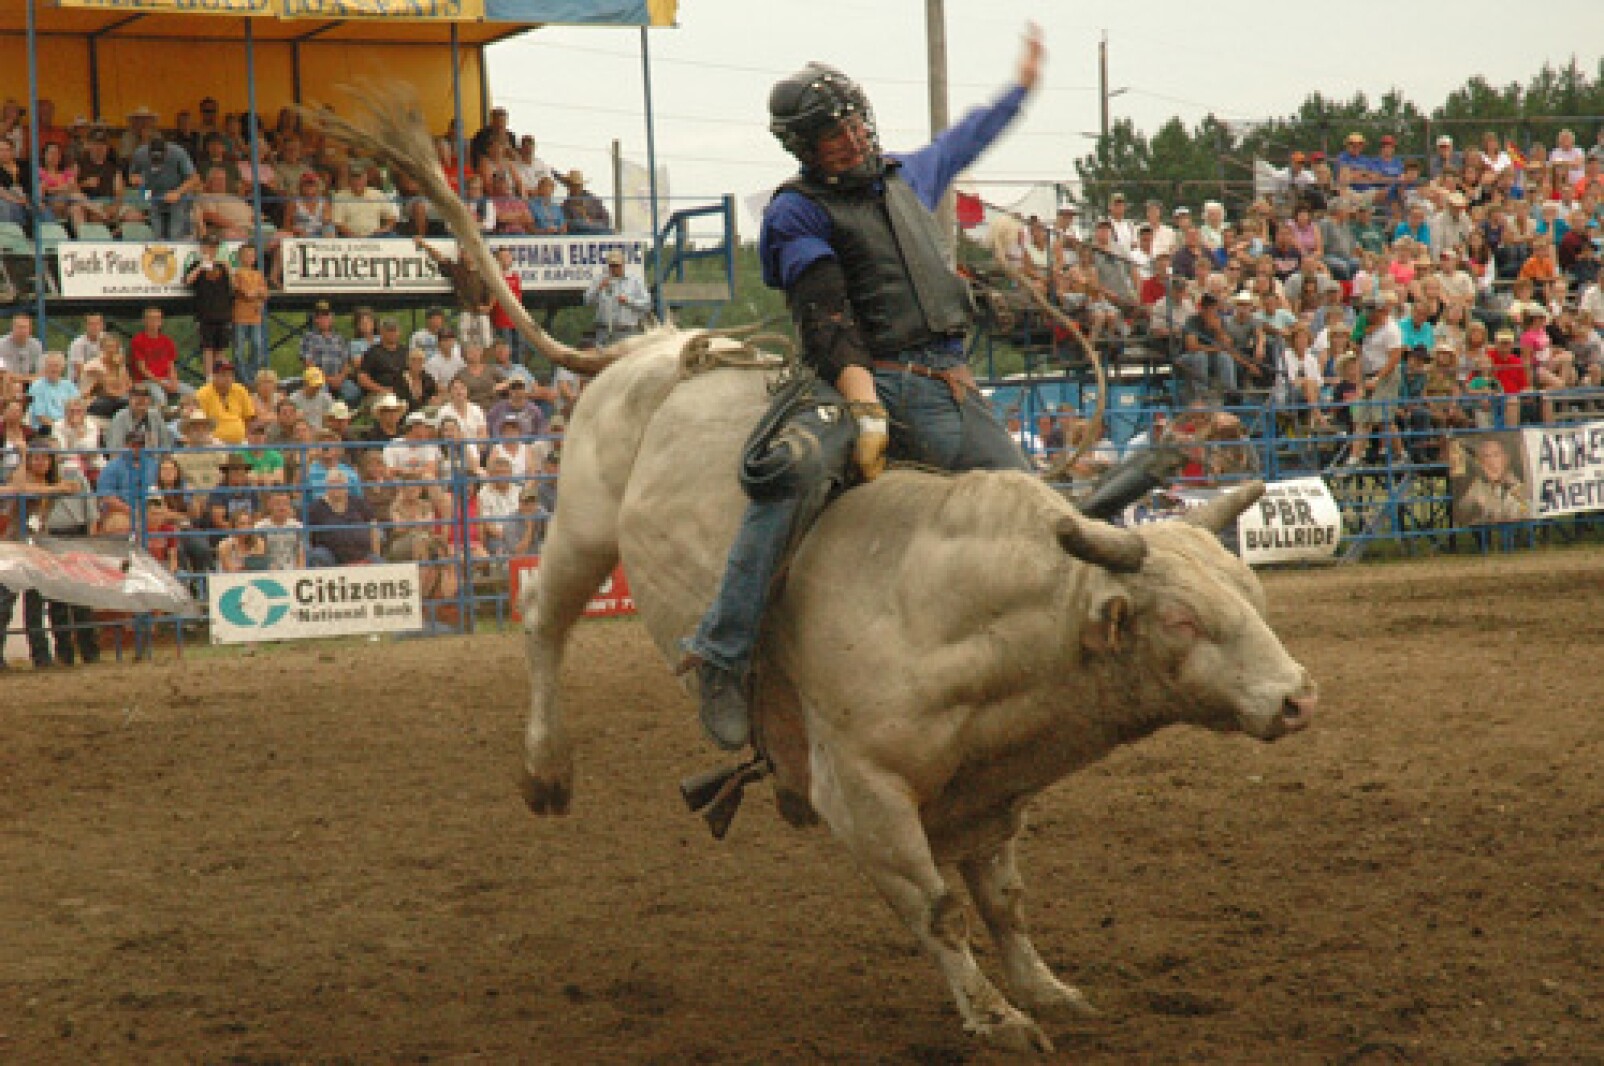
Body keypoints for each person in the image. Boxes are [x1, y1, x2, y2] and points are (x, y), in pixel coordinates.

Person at [681, 27, 1045, 751]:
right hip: (865, 379)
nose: (848, 138)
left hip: (948, 385)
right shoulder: (796, 212)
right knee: (786, 479)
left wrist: (1020, 89)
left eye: (851, 122)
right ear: (803, 149)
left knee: (1033, 506)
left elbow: (968, 137)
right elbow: (826, 318)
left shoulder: (907, 175)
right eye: (829, 133)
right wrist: (864, 402)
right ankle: (720, 656)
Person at [0, 443, 89, 669]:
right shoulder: (25, 481)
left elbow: (74, 486)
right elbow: (17, 489)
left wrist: (53, 487)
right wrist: (22, 458)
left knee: (35, 605)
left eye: (45, 459)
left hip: (36, 546)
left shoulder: (51, 484)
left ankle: (42, 657)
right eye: (35, 458)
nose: (40, 463)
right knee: (5, 605)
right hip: (14, 546)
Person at [306, 470, 380, 567]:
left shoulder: (358, 503)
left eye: (340, 483)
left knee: (379, 563)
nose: (336, 487)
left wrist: (376, 552)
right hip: (331, 556)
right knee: (319, 555)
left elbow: (373, 524)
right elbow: (306, 535)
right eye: (332, 483)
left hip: (363, 555)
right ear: (326, 487)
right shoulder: (316, 508)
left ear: (346, 487)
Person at [1451, 435, 1531, 525]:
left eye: (1496, 455)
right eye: (1486, 456)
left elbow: (1523, 514)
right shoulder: (1479, 485)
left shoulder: (1518, 487)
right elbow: (1461, 511)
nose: (1490, 462)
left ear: (1506, 458)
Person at [584, 249, 652, 346]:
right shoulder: (599, 279)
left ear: (623, 264)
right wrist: (598, 289)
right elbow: (587, 301)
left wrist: (628, 301)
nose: (613, 268)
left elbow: (647, 305)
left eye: (616, 265)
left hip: (628, 332)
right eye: (611, 265)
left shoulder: (635, 280)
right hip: (603, 332)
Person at [299, 300, 359, 405]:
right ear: (315, 320)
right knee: (322, 394)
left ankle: (344, 417)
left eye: (326, 316)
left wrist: (340, 378)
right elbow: (308, 363)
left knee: (354, 393)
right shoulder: (308, 337)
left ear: (332, 318)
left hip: (340, 378)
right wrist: (327, 379)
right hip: (318, 379)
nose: (323, 319)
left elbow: (346, 363)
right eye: (320, 317)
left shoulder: (340, 338)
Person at [231, 243, 270, 384]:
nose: (250, 258)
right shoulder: (237, 273)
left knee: (257, 345)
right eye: (247, 255)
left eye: (252, 255)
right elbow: (243, 292)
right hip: (240, 316)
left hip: (255, 316)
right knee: (239, 350)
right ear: (240, 257)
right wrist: (254, 293)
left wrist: (257, 293)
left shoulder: (258, 274)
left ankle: (252, 376)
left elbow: (265, 293)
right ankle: (243, 378)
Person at [129, 307, 183, 408]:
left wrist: (174, 381)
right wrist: (162, 383)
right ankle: (160, 422)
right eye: (151, 318)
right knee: (160, 398)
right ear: (144, 321)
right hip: (146, 381)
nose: (154, 322)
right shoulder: (138, 340)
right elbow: (143, 370)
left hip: (166, 379)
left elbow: (171, 366)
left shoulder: (167, 341)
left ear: (161, 321)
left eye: (157, 318)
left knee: (194, 394)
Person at [193, 360, 255, 446]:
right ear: (214, 376)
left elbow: (249, 419)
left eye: (231, 375)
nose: (228, 378)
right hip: (213, 442)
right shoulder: (203, 393)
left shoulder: (240, 390)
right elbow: (199, 423)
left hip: (241, 441)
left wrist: (248, 437)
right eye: (224, 375)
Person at [254, 490, 306, 570]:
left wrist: (300, 571)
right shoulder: (260, 527)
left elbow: (301, 553)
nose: (282, 507)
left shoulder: (298, 526)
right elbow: (259, 554)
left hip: (293, 569)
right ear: (269, 505)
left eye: (285, 504)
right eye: (277, 503)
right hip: (268, 571)